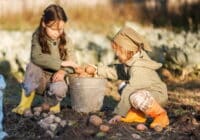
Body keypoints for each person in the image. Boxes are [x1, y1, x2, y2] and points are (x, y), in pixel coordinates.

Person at [85, 26, 169, 130]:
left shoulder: (138, 67)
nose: (116, 54)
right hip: (145, 92)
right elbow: (116, 71)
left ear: (127, 49)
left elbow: (130, 90)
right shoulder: (131, 61)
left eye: (117, 50)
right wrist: (97, 70)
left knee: (134, 95)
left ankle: (161, 115)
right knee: (123, 87)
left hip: (156, 94)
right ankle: (137, 114)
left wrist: (120, 114)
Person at [12, 4, 77, 115]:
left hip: (55, 79)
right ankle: (24, 105)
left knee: (60, 88)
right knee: (33, 66)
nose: (57, 33)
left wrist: (63, 71)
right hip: (39, 79)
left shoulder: (66, 40)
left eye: (61, 29)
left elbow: (73, 63)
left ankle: (51, 106)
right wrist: (62, 63)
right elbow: (36, 57)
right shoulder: (37, 37)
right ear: (44, 24)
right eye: (53, 29)